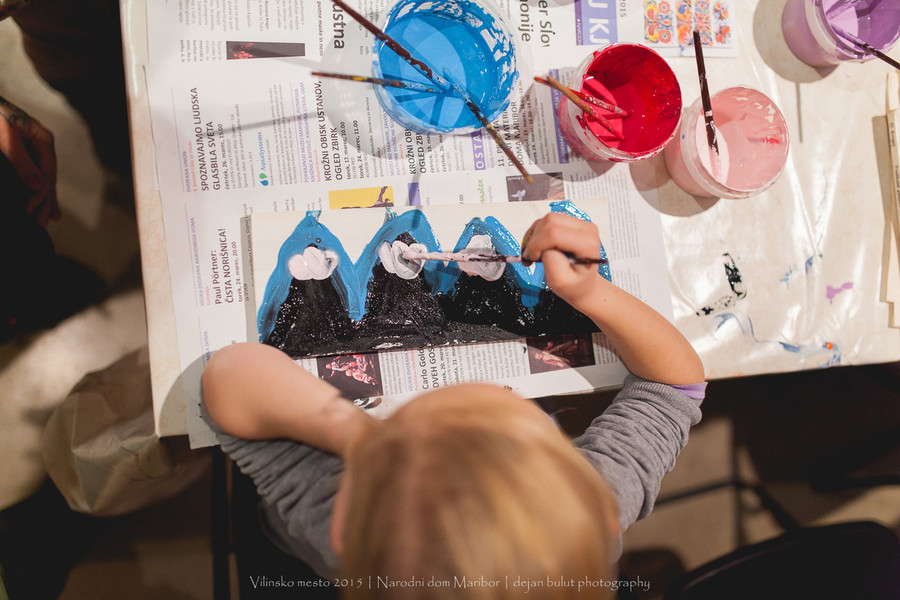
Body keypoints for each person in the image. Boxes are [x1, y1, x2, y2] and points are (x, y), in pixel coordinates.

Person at [202, 213, 706, 598]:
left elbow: (228, 376)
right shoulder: (582, 513)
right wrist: (590, 291)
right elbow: (676, 384)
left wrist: (366, 441)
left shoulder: (346, 517)